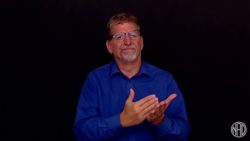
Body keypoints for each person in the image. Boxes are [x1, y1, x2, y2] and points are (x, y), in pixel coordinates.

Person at [73, 12, 190, 141]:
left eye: (133, 35)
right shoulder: (95, 80)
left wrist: (160, 121)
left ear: (141, 42)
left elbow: (183, 134)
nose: (128, 41)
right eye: (119, 36)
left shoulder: (165, 79)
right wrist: (121, 120)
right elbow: (81, 132)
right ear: (109, 46)